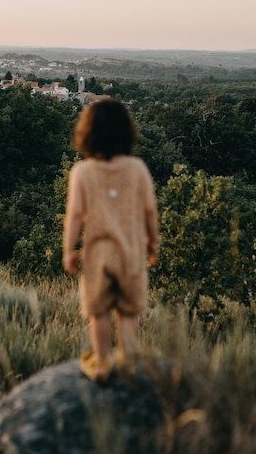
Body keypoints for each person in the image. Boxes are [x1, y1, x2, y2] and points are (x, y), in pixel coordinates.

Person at [63, 98, 160, 381]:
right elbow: (149, 210)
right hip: (131, 252)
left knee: (100, 311)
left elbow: (76, 214)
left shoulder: (82, 172)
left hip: (98, 254)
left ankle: (102, 362)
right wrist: (152, 243)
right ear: (126, 133)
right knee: (128, 312)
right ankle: (128, 361)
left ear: (87, 133)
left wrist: (69, 250)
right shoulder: (137, 169)